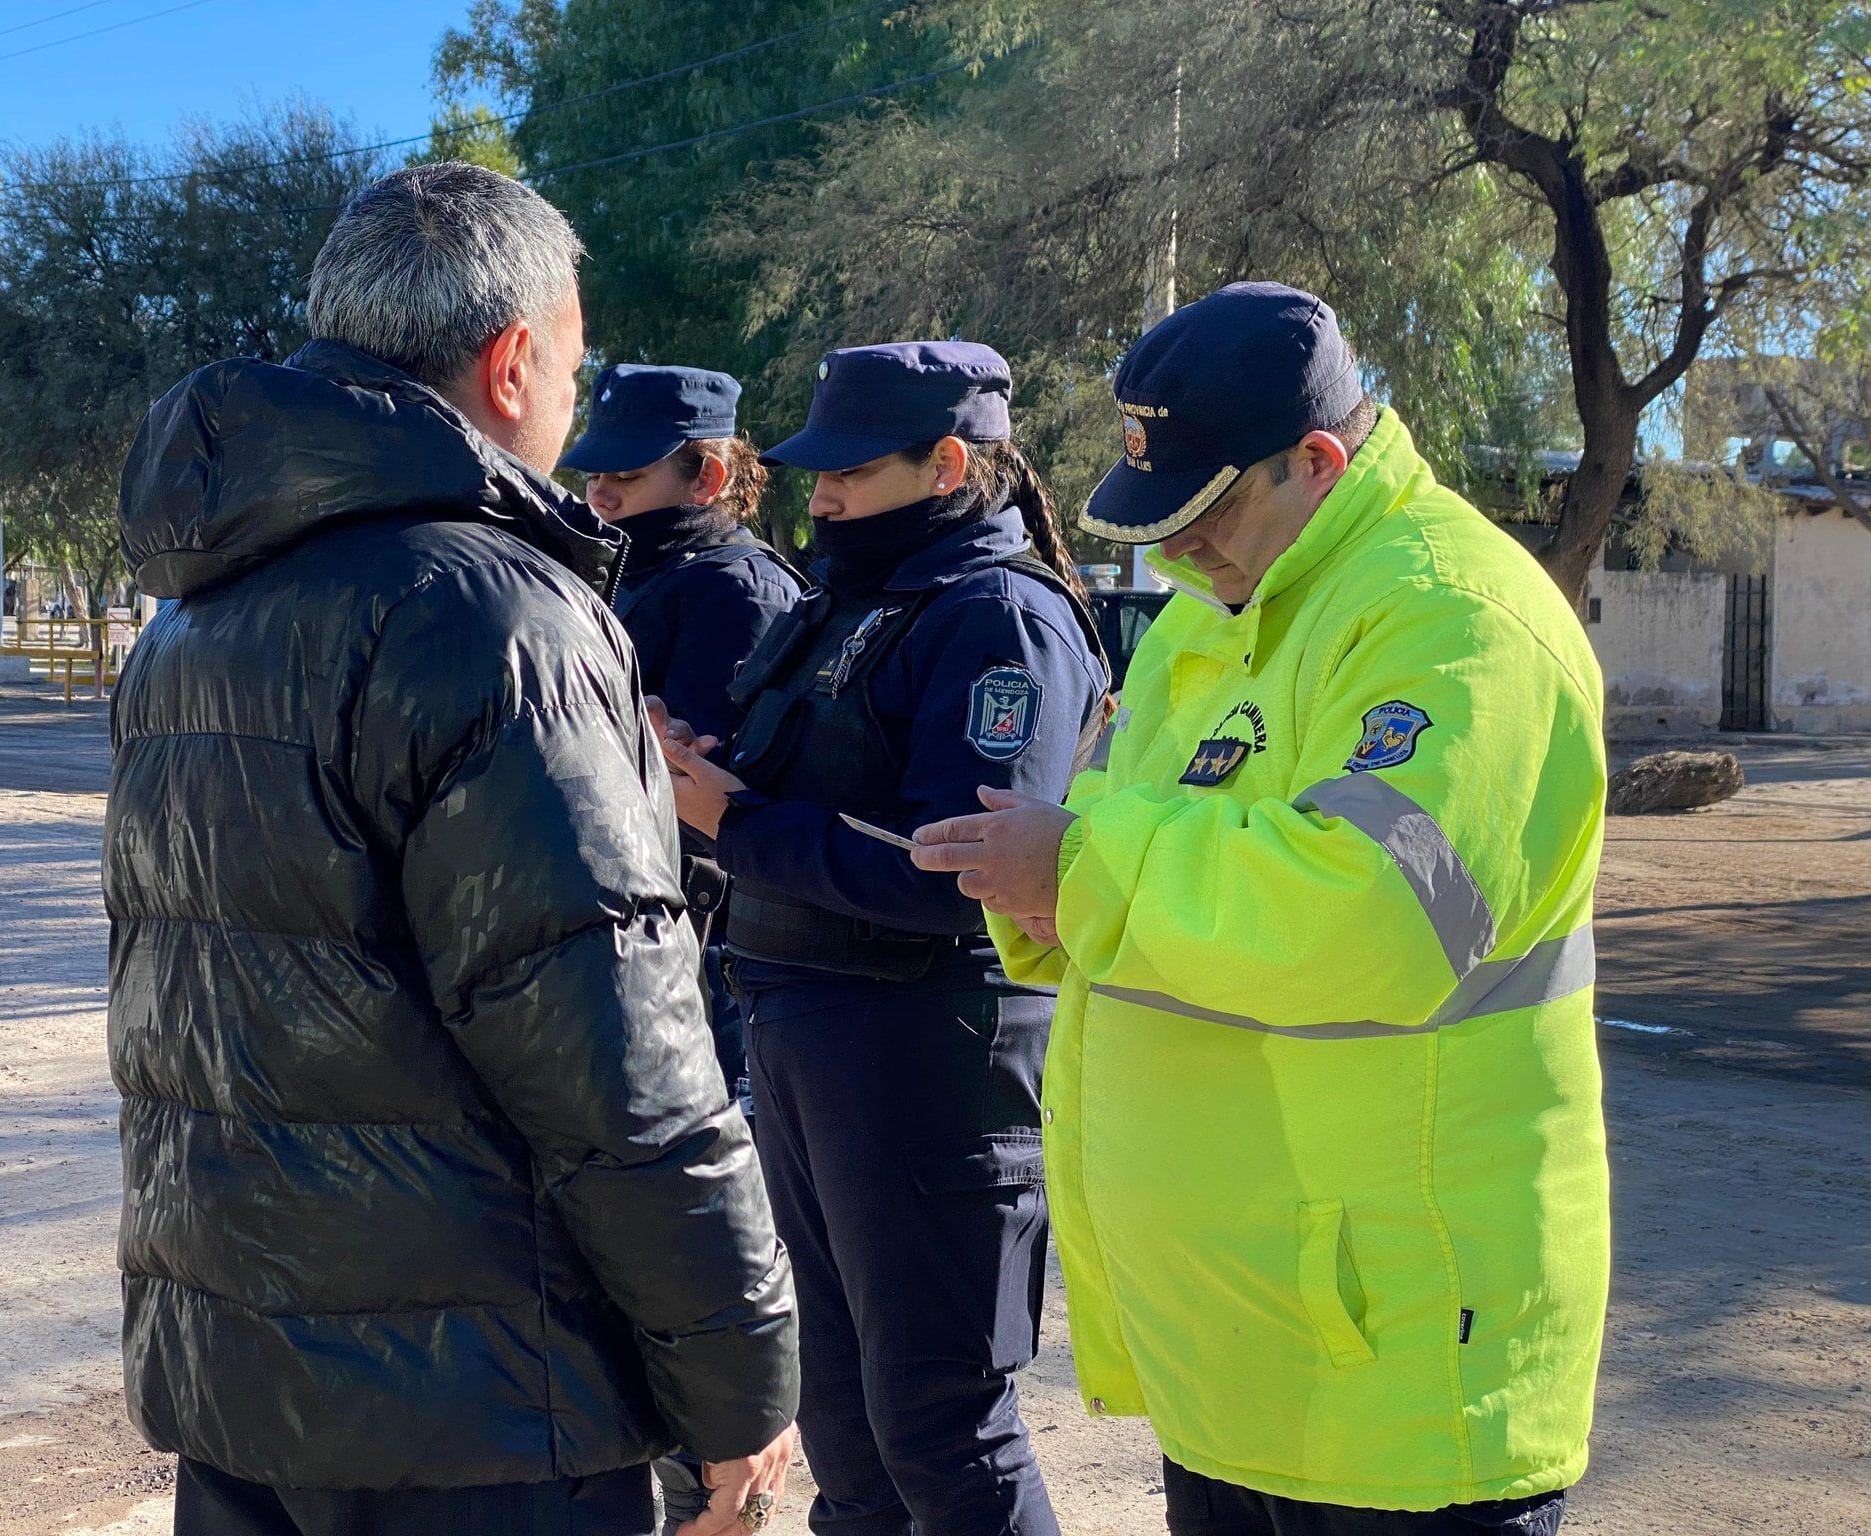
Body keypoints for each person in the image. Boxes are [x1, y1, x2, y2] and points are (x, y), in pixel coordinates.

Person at [104, 162, 798, 1536]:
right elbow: (618, 1061)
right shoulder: (497, 616)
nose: (572, 408)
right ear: (512, 359)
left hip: (241, 1379)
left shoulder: (195, 618)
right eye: (576, 369)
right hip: (479, 1413)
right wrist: (740, 1381)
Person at [910, 282, 1608, 1535]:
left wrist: (1076, 872)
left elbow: (1377, 914)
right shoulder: (1214, 615)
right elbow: (1112, 839)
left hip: (1395, 1369)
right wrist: (1043, 882)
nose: (1175, 551)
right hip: (1250, 1359)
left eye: (1205, 512)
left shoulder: (1453, 616)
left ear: (1318, 463)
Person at [656, 341, 1110, 1536]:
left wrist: (736, 822)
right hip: (807, 1025)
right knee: (842, 1418)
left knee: (938, 1421)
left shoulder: (998, 618)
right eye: (818, 475)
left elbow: (961, 872)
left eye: (851, 474)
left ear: (947, 464)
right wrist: (699, 770)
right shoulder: (857, 601)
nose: (822, 500)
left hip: (928, 1048)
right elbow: (813, 779)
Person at [561, 364, 804, 1094]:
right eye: (594, 473)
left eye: (628, 476)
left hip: (696, 946)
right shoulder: (630, 570)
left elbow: (706, 796)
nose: (601, 494)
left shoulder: (736, 590)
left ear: (709, 478)